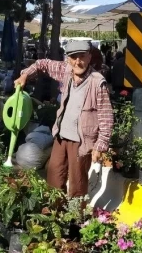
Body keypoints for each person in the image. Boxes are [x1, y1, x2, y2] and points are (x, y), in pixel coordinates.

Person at [14, 40, 114, 197]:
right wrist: (26, 74)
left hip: (81, 141)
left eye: (82, 57)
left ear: (89, 57)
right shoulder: (66, 70)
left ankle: (76, 217)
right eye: (73, 57)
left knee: (77, 184)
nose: (78, 61)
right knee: (54, 178)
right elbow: (43, 64)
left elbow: (106, 116)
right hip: (61, 137)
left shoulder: (97, 82)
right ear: (68, 58)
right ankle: (55, 215)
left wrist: (100, 145)